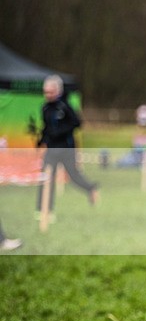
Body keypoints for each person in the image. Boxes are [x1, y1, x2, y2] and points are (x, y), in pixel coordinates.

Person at [36, 75, 99, 220]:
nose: (47, 95)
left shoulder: (65, 106)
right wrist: (42, 140)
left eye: (50, 92)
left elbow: (77, 123)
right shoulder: (45, 108)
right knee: (45, 178)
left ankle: (91, 188)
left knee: (73, 175)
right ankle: (44, 210)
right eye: (45, 92)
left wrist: (59, 132)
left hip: (66, 148)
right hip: (51, 149)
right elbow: (46, 128)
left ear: (57, 91)